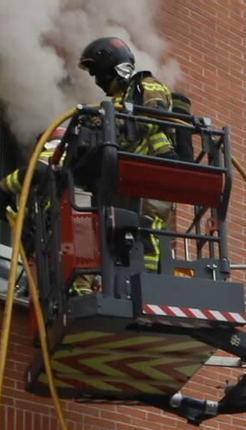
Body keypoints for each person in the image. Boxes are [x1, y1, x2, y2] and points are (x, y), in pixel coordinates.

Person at [77, 36, 176, 272]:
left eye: (97, 72)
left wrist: (118, 125)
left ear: (111, 68)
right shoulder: (118, 101)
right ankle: (130, 275)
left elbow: (154, 118)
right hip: (130, 178)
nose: (97, 80)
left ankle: (148, 279)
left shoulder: (146, 84)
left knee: (147, 228)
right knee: (121, 232)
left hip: (154, 169)